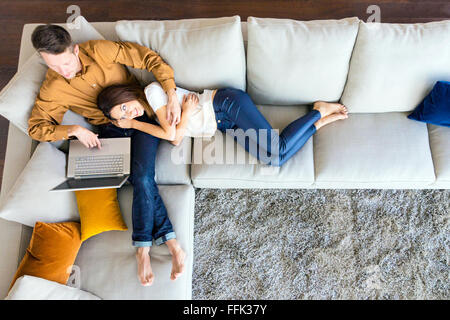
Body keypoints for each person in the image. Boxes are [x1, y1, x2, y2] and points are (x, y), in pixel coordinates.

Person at [28, 24, 185, 286]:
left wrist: (170, 94)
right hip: (110, 130)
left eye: (66, 63)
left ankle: (144, 249)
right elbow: (36, 128)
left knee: (142, 176)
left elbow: (149, 59)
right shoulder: (53, 87)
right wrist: (74, 129)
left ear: (75, 50)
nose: (64, 71)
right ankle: (171, 244)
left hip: (140, 115)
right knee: (136, 177)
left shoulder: (101, 51)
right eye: (54, 67)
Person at [97, 82, 349, 167]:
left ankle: (318, 111)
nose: (129, 112)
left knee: (277, 146)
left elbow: (173, 136)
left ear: (125, 96)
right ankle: (319, 122)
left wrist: (132, 123)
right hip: (222, 123)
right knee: (274, 160)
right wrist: (183, 115)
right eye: (123, 115)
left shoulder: (151, 92)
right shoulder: (152, 116)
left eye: (124, 106)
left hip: (224, 104)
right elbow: (174, 136)